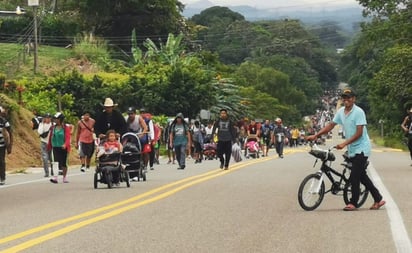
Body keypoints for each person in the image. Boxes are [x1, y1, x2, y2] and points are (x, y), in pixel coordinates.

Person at [307, 87, 386, 211]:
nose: (346, 100)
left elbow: (359, 133)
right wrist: (316, 135)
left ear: (354, 99)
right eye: (344, 98)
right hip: (352, 149)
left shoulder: (359, 112)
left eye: (349, 98)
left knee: (354, 176)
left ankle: (353, 202)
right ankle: (378, 198)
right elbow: (330, 126)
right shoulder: (341, 112)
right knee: (362, 176)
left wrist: (344, 143)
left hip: (362, 148)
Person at [48, 112, 71, 184]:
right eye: (55, 119)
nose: (55, 120)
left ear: (61, 120)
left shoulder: (65, 128)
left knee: (64, 163)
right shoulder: (53, 128)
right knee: (55, 162)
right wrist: (49, 146)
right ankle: (55, 178)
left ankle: (64, 177)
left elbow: (68, 138)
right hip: (55, 147)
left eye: (57, 119)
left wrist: (65, 144)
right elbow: (50, 137)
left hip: (63, 147)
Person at [37, 113, 53, 177]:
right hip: (44, 142)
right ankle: (46, 172)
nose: (48, 119)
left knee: (52, 158)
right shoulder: (41, 124)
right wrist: (42, 124)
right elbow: (40, 132)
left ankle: (52, 171)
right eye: (46, 118)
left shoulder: (53, 125)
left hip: (51, 143)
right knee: (45, 158)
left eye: (49, 118)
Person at [0, 106, 12, 185]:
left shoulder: (4, 122)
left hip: (2, 145)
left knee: (1, 161)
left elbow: (10, 134)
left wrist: (9, 146)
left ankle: (2, 178)